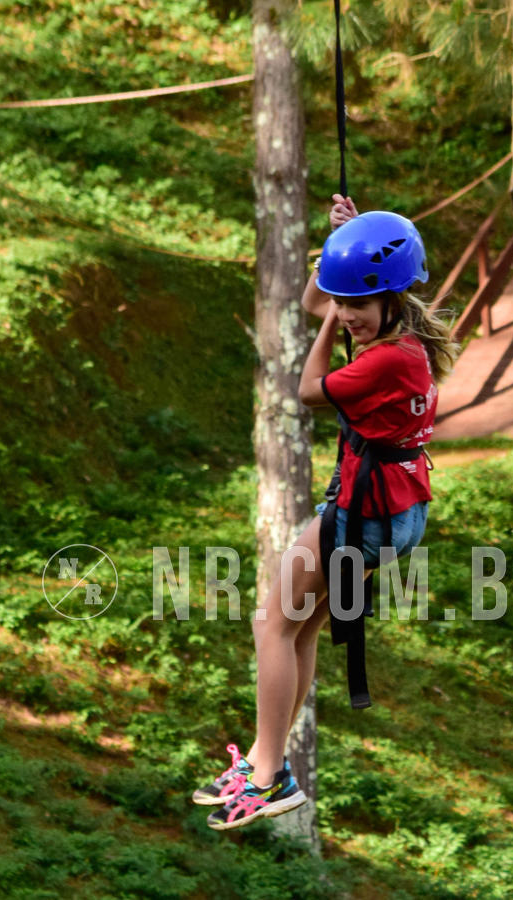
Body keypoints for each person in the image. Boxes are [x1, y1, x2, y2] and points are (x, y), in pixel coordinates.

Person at [193, 194, 458, 831]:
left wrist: (330, 320)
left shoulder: (390, 356)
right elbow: (319, 302)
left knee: (270, 625)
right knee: (301, 629)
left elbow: (308, 389)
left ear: (390, 298)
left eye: (358, 305)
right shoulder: (406, 331)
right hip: (390, 510)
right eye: (348, 303)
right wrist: (341, 249)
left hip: (366, 515)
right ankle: (266, 759)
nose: (346, 316)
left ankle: (267, 777)